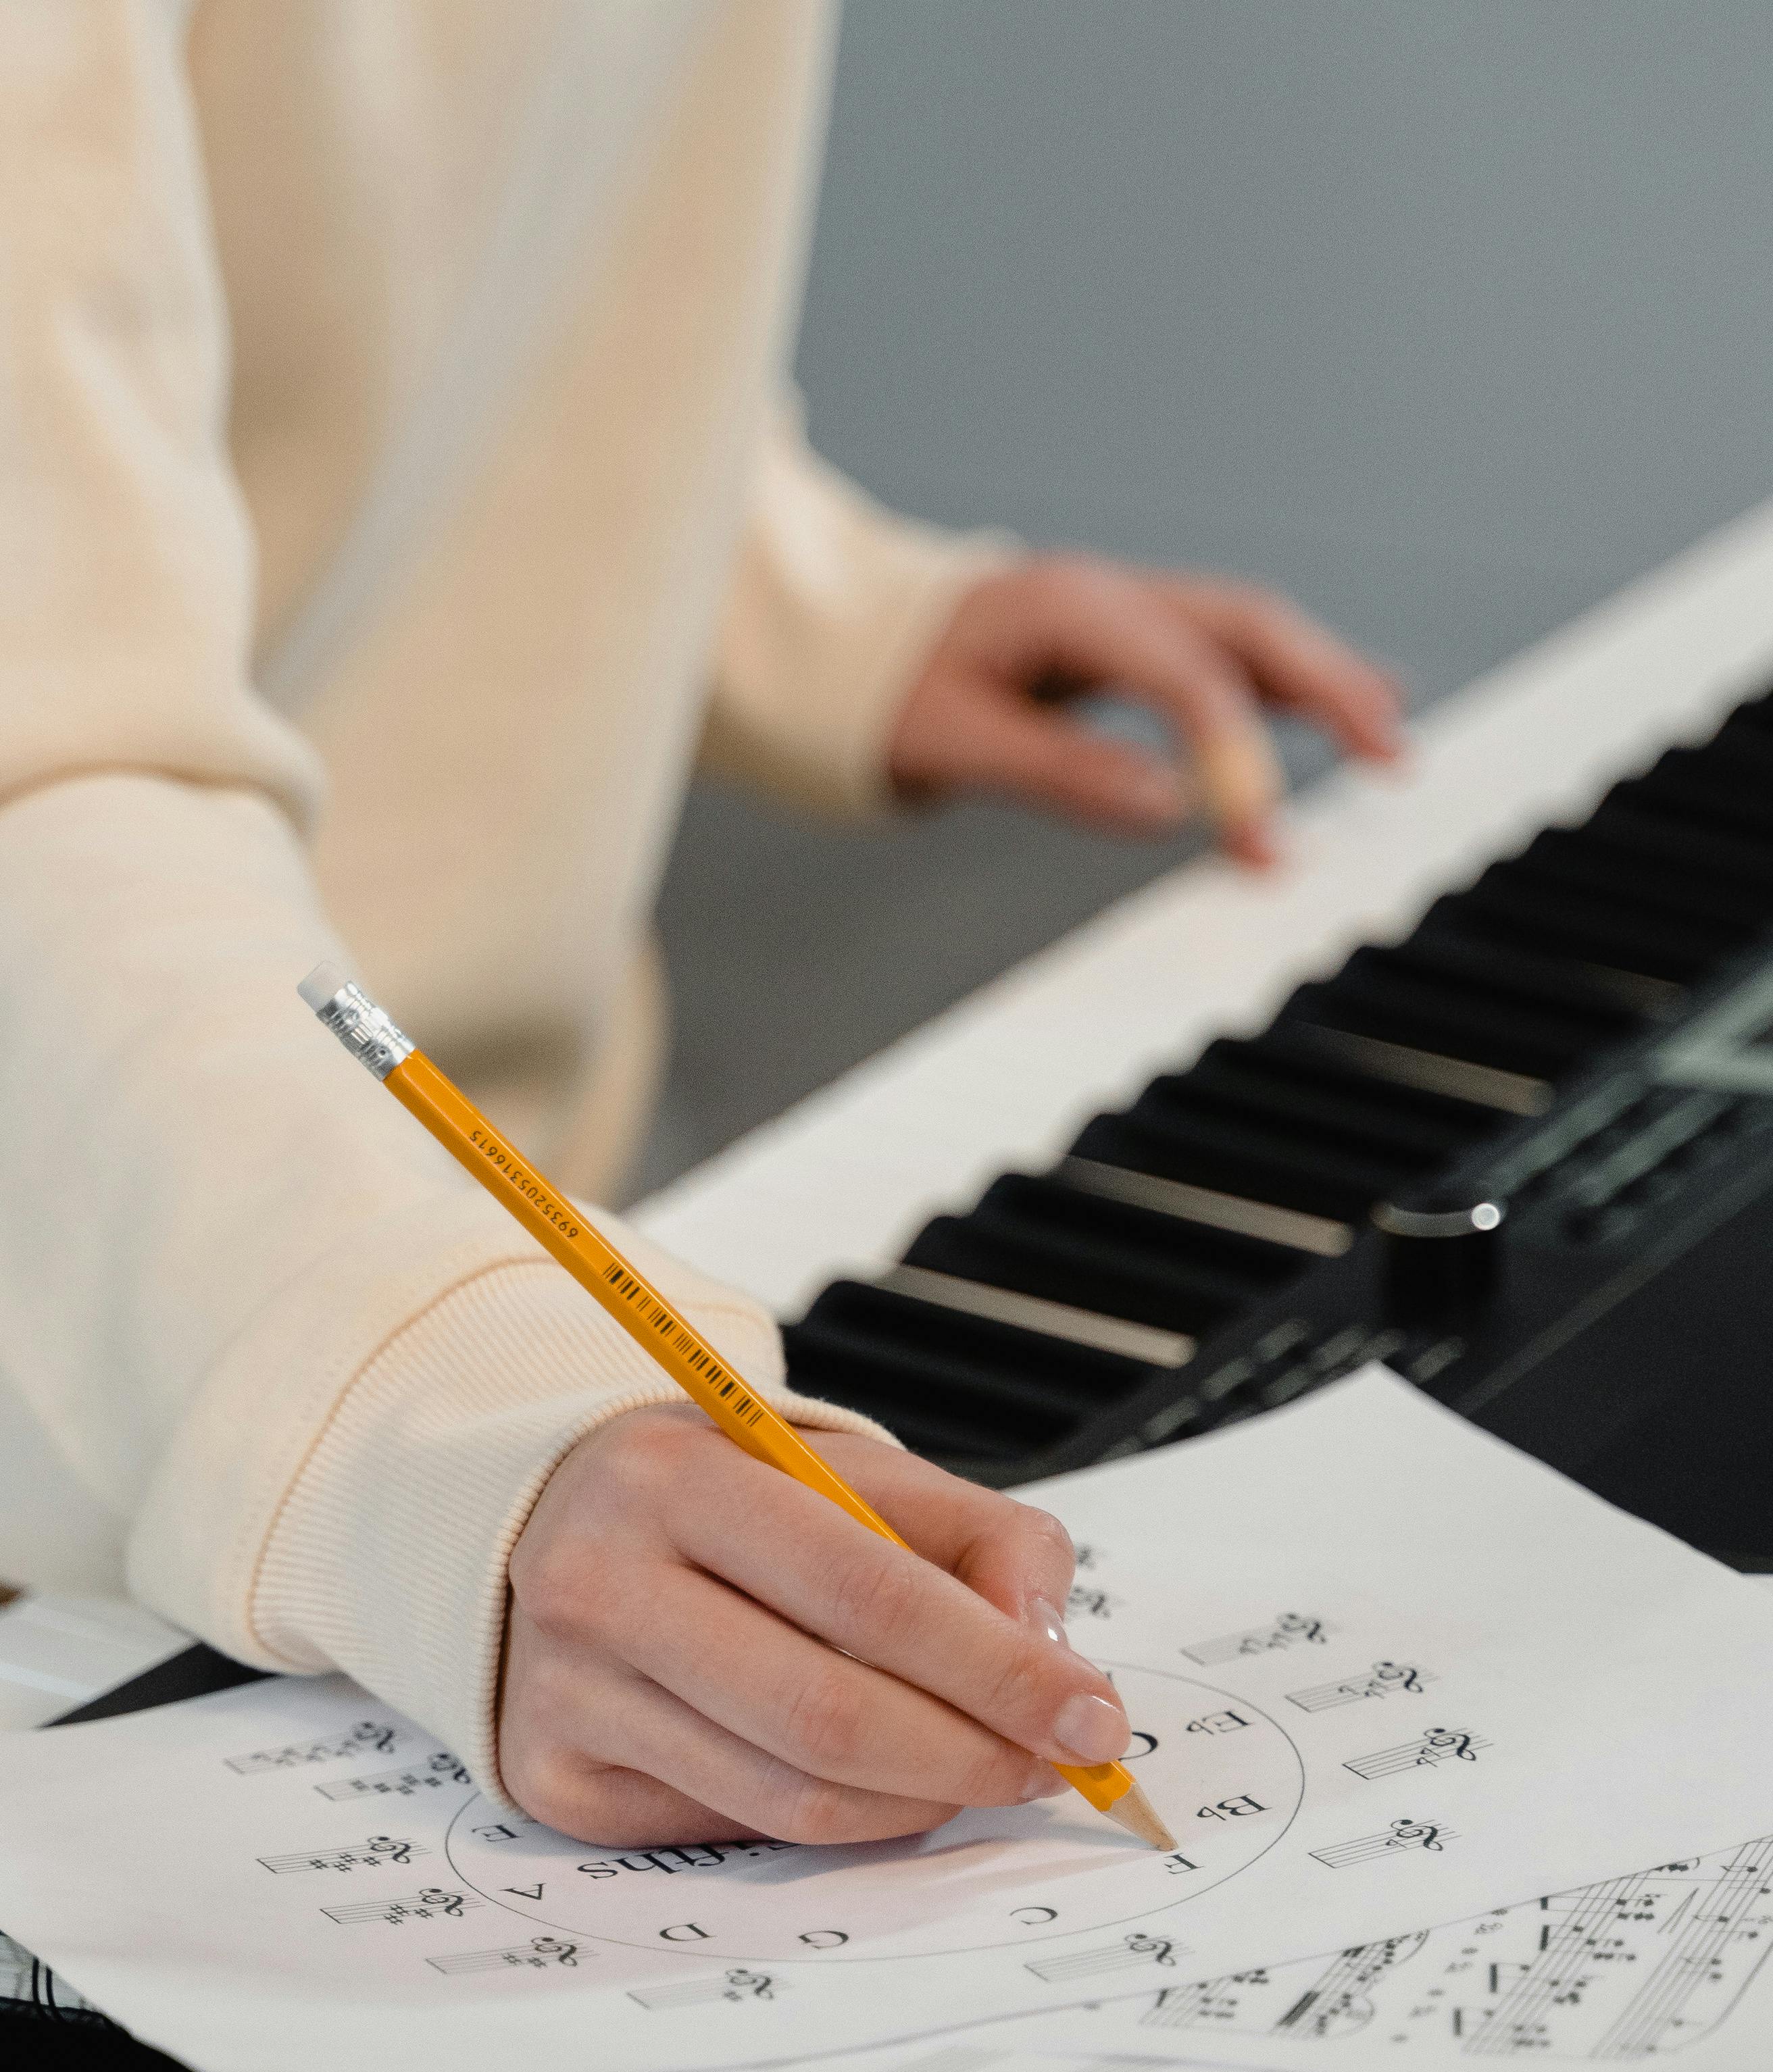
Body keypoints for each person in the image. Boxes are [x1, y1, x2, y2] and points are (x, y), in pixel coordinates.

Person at [0, 3, 1402, 1852]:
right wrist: (444, 1392)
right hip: (144, 1325)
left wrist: (814, 603)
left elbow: (452, 255)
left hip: (464, 1246)